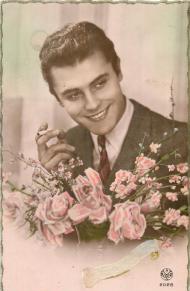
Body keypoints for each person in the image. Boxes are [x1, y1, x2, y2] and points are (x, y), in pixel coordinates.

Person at [37, 21, 187, 193]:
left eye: (100, 83)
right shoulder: (66, 148)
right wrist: (54, 184)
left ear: (118, 71)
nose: (92, 104)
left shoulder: (182, 143)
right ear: (58, 100)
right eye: (73, 95)